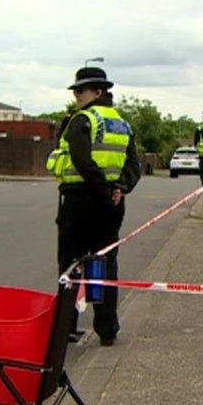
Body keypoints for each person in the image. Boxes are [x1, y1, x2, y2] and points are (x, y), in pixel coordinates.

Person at [49, 66, 140, 346]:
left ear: (98, 92)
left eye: (80, 90)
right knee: (103, 265)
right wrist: (119, 189)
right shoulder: (123, 124)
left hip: (79, 201)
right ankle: (107, 329)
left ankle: (66, 329)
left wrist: (102, 189)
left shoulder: (82, 120)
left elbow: (81, 161)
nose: (76, 95)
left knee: (71, 266)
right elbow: (133, 166)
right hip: (111, 205)